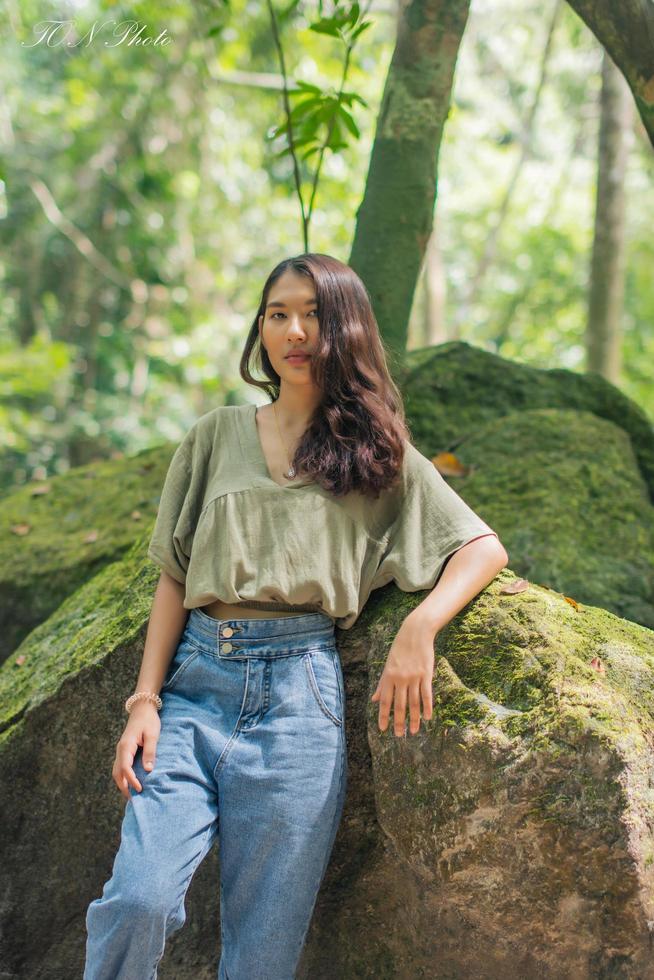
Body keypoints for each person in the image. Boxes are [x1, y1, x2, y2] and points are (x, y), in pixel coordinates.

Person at [83, 253, 508, 979]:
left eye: (313, 313)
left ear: (346, 329)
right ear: (260, 328)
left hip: (299, 703)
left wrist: (420, 626)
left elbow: (480, 547)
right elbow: (174, 576)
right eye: (278, 313)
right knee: (138, 899)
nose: (295, 330)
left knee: (263, 952)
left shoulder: (377, 455)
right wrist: (144, 700)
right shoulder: (215, 436)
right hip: (195, 683)